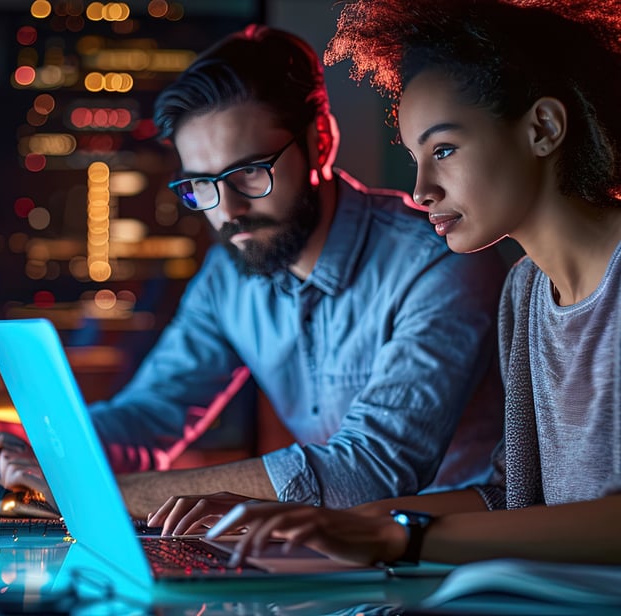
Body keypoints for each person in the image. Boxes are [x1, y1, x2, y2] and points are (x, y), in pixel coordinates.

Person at [0, 24, 507, 520]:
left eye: (249, 172)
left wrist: (90, 496)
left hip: (457, 570)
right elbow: (154, 416)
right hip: (340, 559)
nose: (228, 210)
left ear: (320, 140)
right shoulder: (232, 274)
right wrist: (6, 438)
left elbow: (369, 470)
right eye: (202, 185)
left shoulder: (435, 263)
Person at [186, 0, 621, 566]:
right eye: (415, 155)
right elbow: (512, 500)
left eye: (443, 150)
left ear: (543, 128)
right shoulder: (526, 292)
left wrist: (401, 537)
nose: (420, 190)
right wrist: (328, 522)